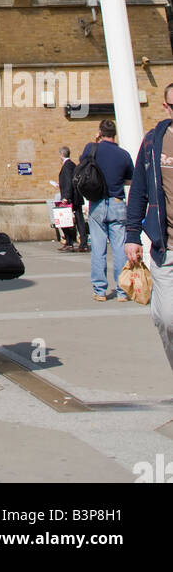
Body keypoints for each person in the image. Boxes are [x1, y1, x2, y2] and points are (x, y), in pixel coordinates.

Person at [125, 84, 173, 369]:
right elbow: (139, 191)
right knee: (166, 318)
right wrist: (132, 235)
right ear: (166, 107)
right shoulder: (155, 142)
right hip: (166, 247)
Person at [79, 118, 134, 301]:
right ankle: (122, 291)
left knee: (99, 247)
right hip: (117, 201)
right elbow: (130, 180)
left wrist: (95, 142)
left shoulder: (91, 148)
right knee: (119, 249)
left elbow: (83, 164)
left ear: (100, 132)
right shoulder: (123, 155)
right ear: (115, 134)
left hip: (97, 203)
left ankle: (100, 290)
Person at [56, 146, 88, 252]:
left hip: (71, 198)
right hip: (76, 197)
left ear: (61, 155)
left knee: (67, 220)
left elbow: (69, 182)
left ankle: (73, 243)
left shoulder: (67, 166)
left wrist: (66, 197)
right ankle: (77, 243)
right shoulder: (72, 165)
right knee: (77, 220)